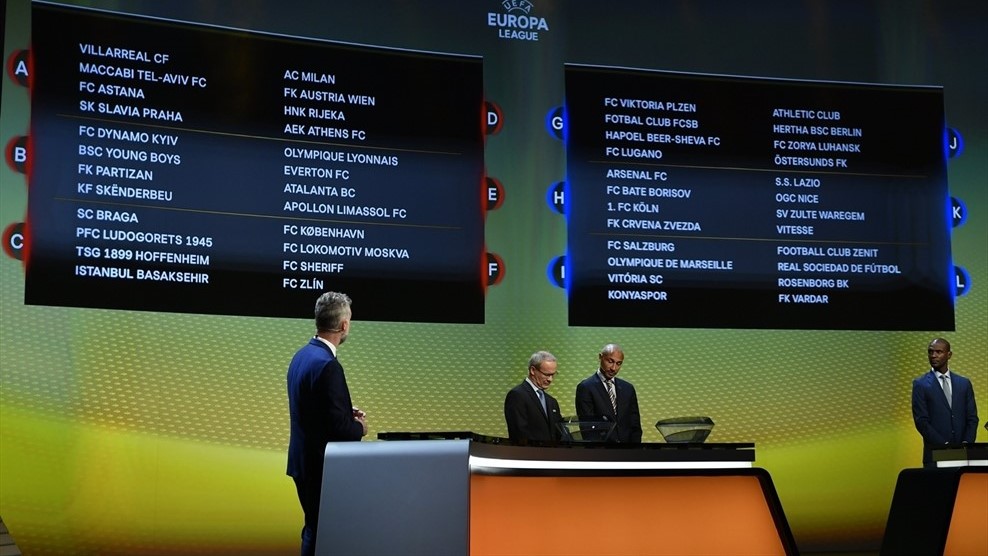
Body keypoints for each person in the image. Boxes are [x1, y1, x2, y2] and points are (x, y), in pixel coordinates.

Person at [286, 291, 368, 556]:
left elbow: (312, 407)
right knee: (321, 531)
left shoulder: (301, 356)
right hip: (321, 467)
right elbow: (339, 430)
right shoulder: (328, 365)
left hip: (302, 462)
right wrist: (360, 427)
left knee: (313, 527)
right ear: (343, 325)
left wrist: (343, 411)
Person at [911, 338, 979, 467]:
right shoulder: (920, 384)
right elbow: (921, 421)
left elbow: (972, 418)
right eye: (930, 352)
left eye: (938, 352)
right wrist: (945, 447)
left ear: (949, 355)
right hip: (936, 455)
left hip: (963, 455)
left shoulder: (964, 383)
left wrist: (966, 444)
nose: (933, 355)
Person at [575, 343, 643, 443]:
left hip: (627, 449)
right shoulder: (586, 387)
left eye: (618, 363)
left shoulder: (628, 388)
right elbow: (588, 428)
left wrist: (634, 449)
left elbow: (635, 425)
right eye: (610, 361)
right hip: (601, 449)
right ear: (600, 357)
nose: (613, 368)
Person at [504, 351, 564, 442]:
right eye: (547, 374)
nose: (550, 379)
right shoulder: (517, 395)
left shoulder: (551, 401)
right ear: (532, 370)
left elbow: (559, 431)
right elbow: (519, 433)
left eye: (553, 374)